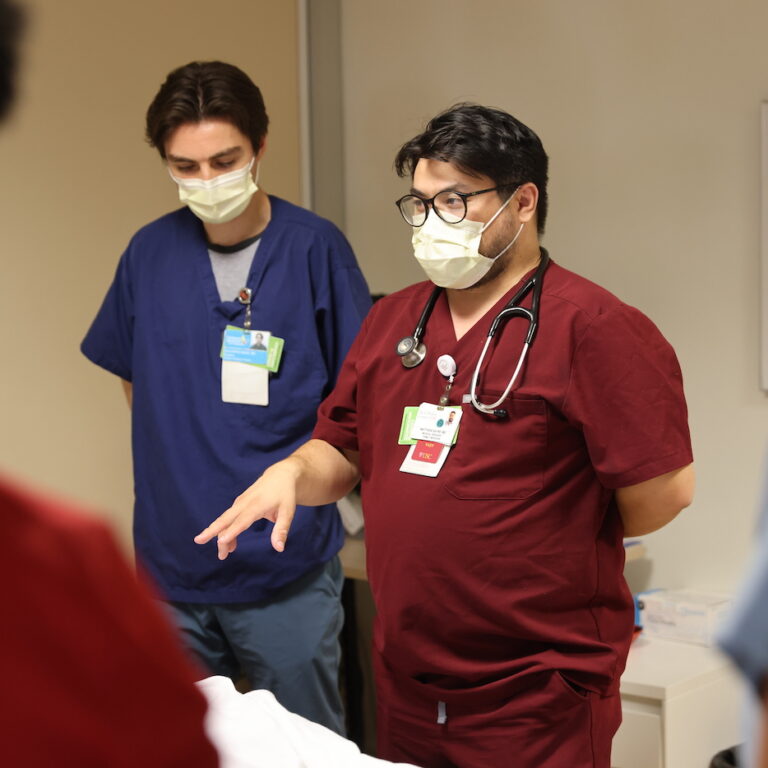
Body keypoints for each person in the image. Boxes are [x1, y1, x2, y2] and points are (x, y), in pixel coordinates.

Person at [196, 104, 695, 768]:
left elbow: (664, 492)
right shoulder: (393, 322)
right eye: (421, 203)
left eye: (455, 202)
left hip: (535, 690)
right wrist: (292, 472)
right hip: (409, 683)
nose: (432, 222)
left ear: (523, 202)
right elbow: (340, 450)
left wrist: (555, 531)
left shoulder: (594, 327)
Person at [82, 61, 371, 733]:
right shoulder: (148, 255)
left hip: (285, 569)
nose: (207, 182)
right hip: (170, 569)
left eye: (224, 160)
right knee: (174, 743)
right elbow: (137, 380)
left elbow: (357, 405)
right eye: (186, 166)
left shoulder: (314, 251)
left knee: (305, 746)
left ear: (260, 148)